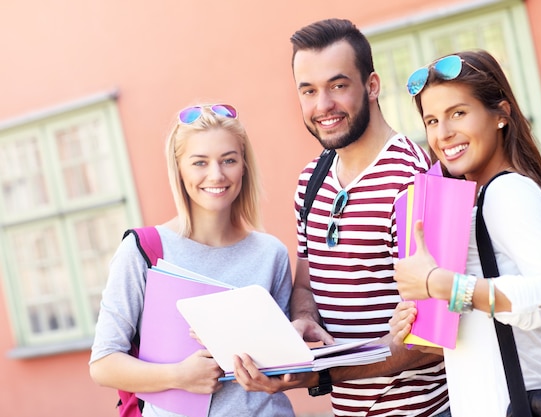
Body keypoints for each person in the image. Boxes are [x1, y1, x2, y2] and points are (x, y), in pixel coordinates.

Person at [232, 18, 450, 417]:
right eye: (309, 91)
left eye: (337, 85)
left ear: (371, 86)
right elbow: (306, 284)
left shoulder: (416, 180)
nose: (323, 106)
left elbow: (430, 341)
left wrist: (318, 375)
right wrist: (303, 321)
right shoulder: (310, 180)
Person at [389, 49, 541, 417]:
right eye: (431, 120)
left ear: (501, 115)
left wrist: (443, 284)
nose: (443, 134)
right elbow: (489, 326)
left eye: (457, 113)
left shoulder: (509, 193)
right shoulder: (473, 201)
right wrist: (418, 322)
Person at [89, 103, 296, 417]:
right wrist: (179, 376)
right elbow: (103, 364)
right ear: (179, 169)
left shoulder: (271, 254)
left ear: (244, 166)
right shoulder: (143, 252)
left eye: (229, 160)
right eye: (200, 162)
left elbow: (284, 366)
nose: (217, 174)